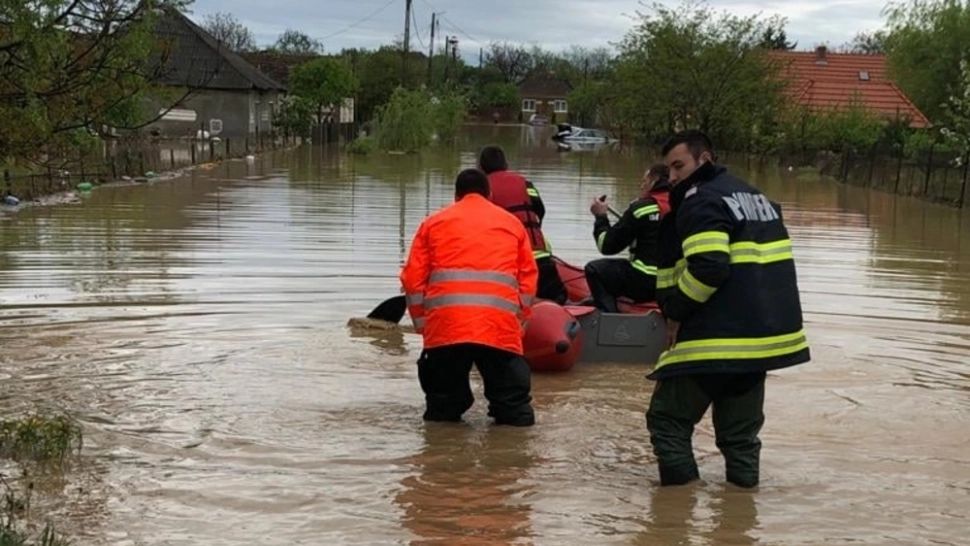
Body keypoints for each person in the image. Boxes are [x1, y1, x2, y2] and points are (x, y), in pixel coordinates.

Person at [647, 130, 810, 488]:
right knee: (741, 439)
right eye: (668, 168)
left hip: (714, 336)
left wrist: (675, 309)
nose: (671, 177)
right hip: (762, 340)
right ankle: (739, 516)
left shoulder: (701, 199)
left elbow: (709, 267)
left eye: (678, 166)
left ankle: (675, 513)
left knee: (668, 422)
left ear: (704, 159)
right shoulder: (758, 198)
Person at [400, 168, 538, 426]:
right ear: (489, 194)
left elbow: (412, 279)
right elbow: (528, 278)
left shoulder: (433, 223)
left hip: (447, 327)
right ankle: (513, 459)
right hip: (498, 327)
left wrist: (422, 324)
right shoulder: (511, 224)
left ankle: (443, 458)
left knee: (442, 410)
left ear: (456, 196)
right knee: (513, 410)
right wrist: (519, 319)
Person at [478, 145, 567, 304]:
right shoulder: (524, 183)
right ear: (506, 164)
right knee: (559, 299)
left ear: (481, 167)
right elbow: (540, 209)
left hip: (509, 262)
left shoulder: (482, 189)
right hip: (541, 256)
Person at [584, 164, 672, 312]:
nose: (641, 185)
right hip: (675, 284)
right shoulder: (685, 205)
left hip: (646, 281)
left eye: (644, 181)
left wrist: (600, 217)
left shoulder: (641, 208)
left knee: (594, 269)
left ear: (654, 180)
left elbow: (606, 246)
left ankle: (609, 319)